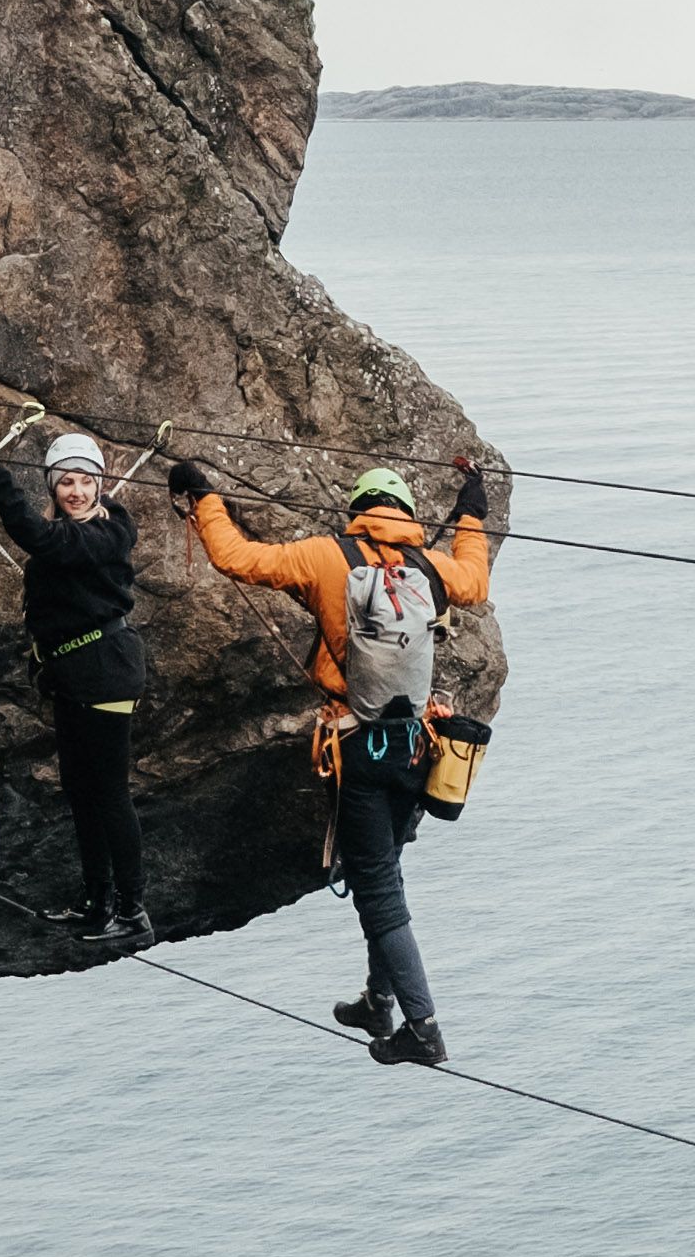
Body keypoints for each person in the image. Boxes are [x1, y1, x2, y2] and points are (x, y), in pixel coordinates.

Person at [169, 449, 499, 1064]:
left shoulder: (325, 556)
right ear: (403, 513)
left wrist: (202, 494)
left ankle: (423, 1028)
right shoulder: (430, 566)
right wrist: (470, 508)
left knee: (378, 892)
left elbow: (235, 558)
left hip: (357, 746)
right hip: (415, 749)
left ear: (357, 512)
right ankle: (379, 999)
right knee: (388, 872)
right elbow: (475, 579)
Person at [0, 422, 153, 947]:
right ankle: (95, 902)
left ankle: (132, 910)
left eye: (85, 482)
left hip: (107, 671)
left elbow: (40, 536)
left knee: (110, 794)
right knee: (81, 793)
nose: (76, 492)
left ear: (100, 486)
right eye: (65, 483)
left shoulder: (106, 532)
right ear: (53, 488)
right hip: (74, 674)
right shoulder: (77, 534)